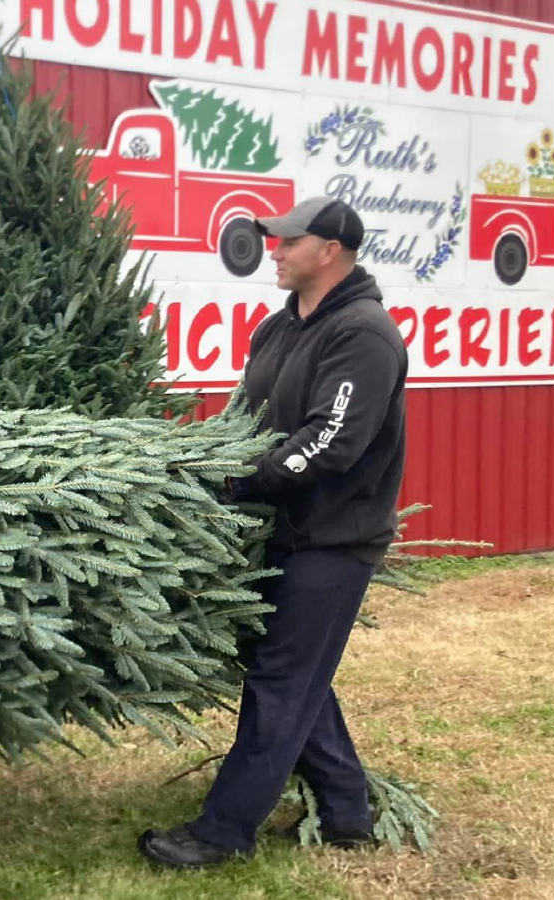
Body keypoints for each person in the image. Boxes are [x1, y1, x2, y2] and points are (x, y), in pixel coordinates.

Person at [139, 197, 408, 868]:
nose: (275, 250)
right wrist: (203, 461)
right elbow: (246, 417)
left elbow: (331, 442)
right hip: (277, 529)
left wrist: (241, 481)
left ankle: (223, 831)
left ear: (331, 252)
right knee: (295, 675)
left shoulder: (364, 334)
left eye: (289, 241)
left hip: (333, 540)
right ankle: (347, 812)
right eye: (274, 239)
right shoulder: (278, 329)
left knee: (280, 683)